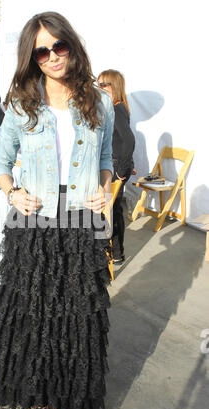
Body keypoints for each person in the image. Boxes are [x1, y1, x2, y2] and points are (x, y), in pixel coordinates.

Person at [0, 12, 114, 409]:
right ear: (32, 58)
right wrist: (12, 191)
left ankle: (69, 392)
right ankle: (40, 394)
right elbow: (0, 164)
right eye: (42, 51)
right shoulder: (22, 103)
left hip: (82, 217)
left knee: (77, 314)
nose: (52, 56)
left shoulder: (101, 101)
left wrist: (105, 187)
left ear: (71, 45)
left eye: (58, 46)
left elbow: (108, 158)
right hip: (34, 220)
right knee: (34, 312)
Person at [98, 69, 135, 264]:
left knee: (110, 210)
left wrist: (121, 169)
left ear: (116, 86)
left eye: (105, 84)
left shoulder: (117, 108)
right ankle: (117, 252)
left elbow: (128, 140)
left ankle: (115, 251)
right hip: (113, 165)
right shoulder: (114, 107)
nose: (100, 88)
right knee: (114, 209)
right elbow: (120, 141)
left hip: (113, 168)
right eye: (99, 84)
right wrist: (128, 164)